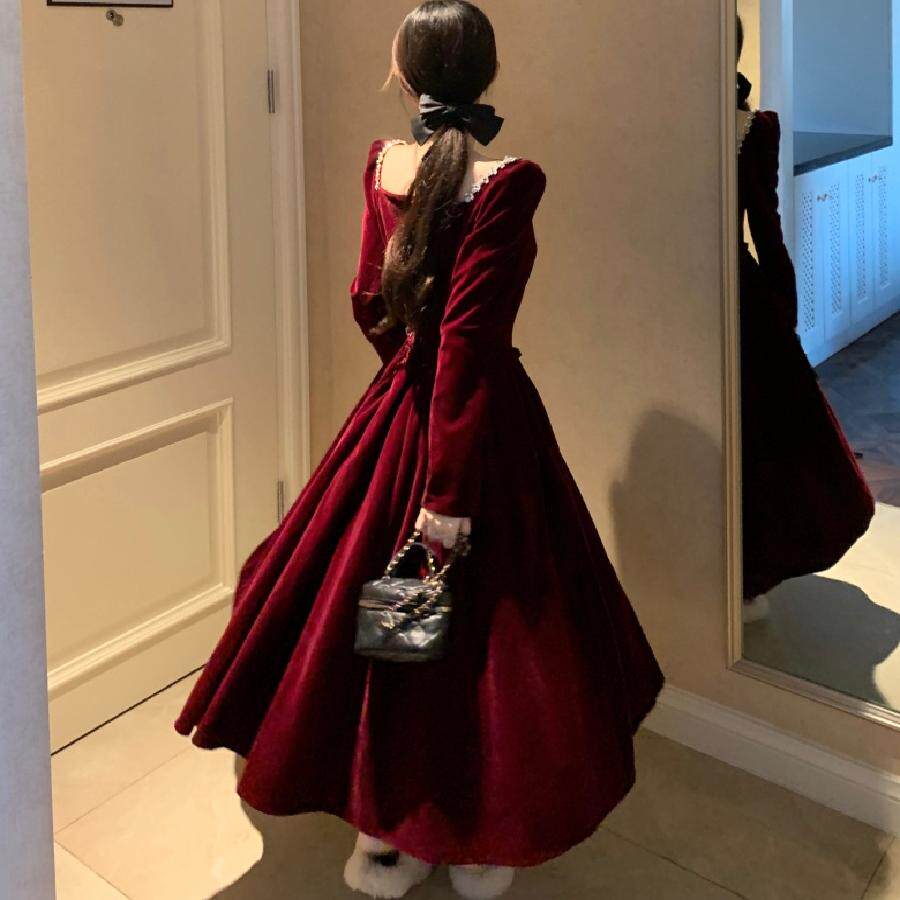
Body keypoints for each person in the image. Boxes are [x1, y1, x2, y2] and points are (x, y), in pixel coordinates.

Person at [174, 3, 663, 897]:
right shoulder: (510, 181)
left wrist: (405, 385)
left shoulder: (383, 164)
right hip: (479, 431)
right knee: (488, 646)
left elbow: (371, 300)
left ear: (404, 77)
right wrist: (444, 493)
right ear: (487, 74)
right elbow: (469, 346)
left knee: (387, 633)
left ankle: (387, 837)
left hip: (404, 410)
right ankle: (473, 837)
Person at [736, 15, 875, 622]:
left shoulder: (736, 126)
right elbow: (766, 228)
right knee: (762, 435)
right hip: (734, 289)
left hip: (694, 291)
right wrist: (784, 312)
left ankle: (740, 566)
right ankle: (745, 570)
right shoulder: (750, 126)